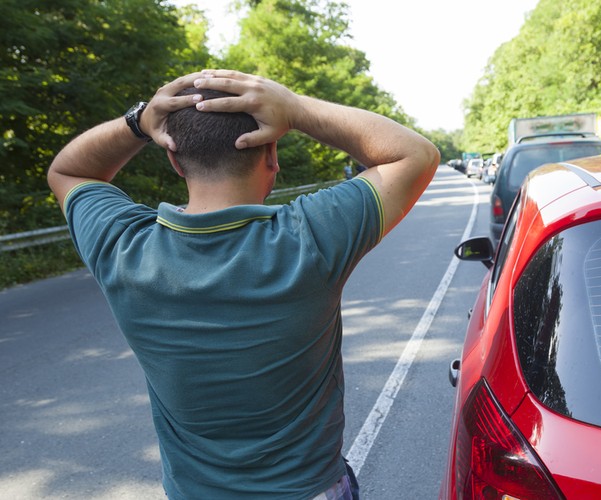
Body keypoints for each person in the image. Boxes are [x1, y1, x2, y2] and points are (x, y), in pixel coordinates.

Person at [47, 69, 440, 499]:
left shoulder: (124, 248)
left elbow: (67, 172)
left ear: (175, 160)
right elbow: (414, 154)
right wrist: (295, 108)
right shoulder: (310, 236)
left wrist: (138, 122)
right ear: (271, 154)